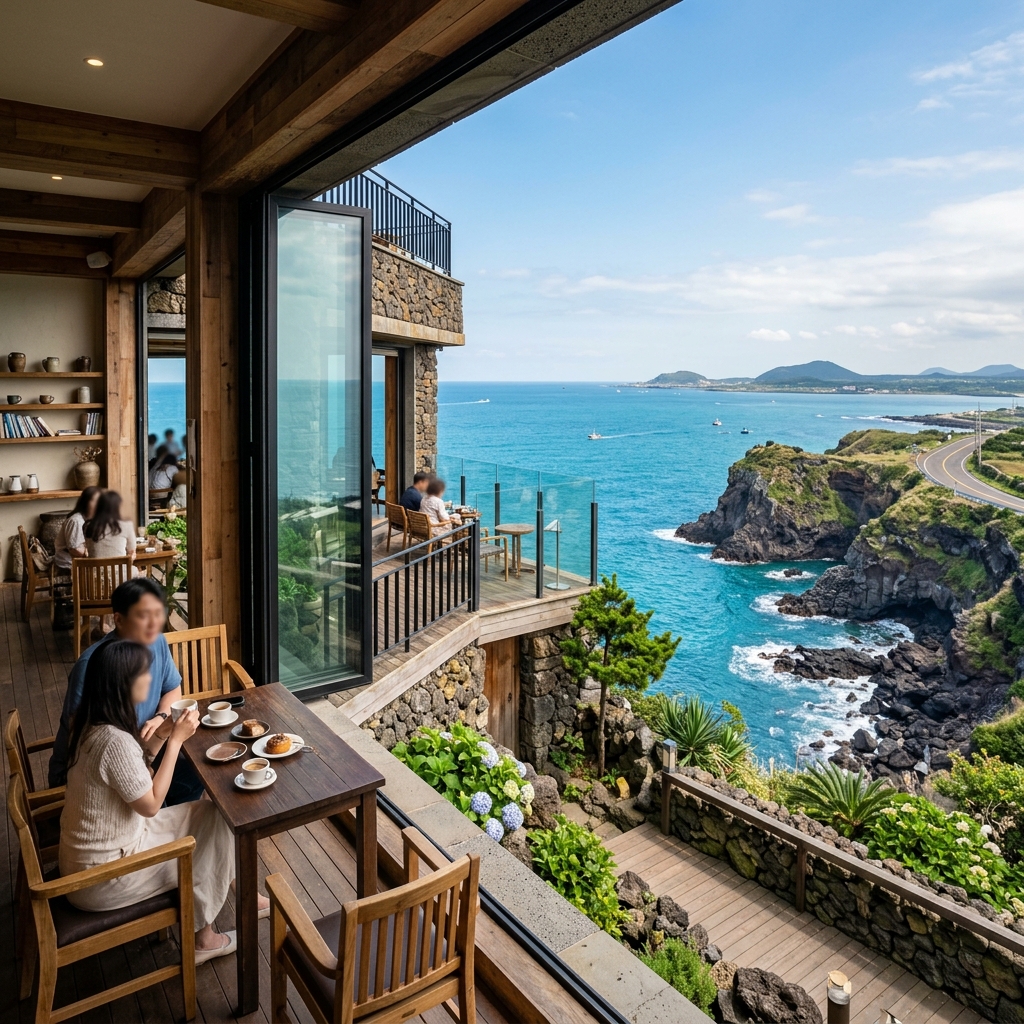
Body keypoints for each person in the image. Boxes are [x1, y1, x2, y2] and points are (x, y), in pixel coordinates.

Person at [58, 639, 251, 962]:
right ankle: (203, 938)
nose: (150, 681)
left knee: (213, 815)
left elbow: (135, 776)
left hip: (103, 851)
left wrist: (162, 734)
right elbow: (150, 803)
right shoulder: (113, 741)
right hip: (102, 877)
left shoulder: (92, 724)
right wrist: (176, 740)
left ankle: (217, 911)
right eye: (143, 675)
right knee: (203, 842)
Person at [49, 578, 203, 807]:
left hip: (141, 752)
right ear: (119, 620)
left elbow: (172, 687)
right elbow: (82, 740)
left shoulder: (156, 641)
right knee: (162, 799)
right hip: (93, 774)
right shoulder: (93, 665)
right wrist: (147, 767)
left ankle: (168, 820)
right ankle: (159, 831)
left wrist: (160, 719)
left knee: (197, 773)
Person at [54, 486, 101, 571]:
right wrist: (94, 553)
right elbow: (74, 549)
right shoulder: (76, 521)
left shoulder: (92, 519)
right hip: (68, 560)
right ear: (86, 503)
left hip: (83, 558)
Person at [85, 490, 137, 560]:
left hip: (93, 570)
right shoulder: (126, 525)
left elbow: (88, 548)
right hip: (120, 570)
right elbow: (132, 549)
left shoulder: (88, 525)